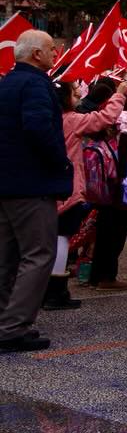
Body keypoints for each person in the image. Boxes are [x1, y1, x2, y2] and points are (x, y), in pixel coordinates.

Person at [0, 30, 67, 353]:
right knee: (39, 254)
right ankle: (14, 327)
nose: (56, 53)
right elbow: (39, 127)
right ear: (37, 54)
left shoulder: (7, 83)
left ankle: (5, 319)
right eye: (52, 49)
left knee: (6, 257)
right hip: (32, 184)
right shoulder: (36, 84)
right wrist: (61, 163)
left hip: (7, 184)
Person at [47, 77, 125, 311]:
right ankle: (56, 290)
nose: (78, 97)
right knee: (62, 237)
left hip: (44, 187)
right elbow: (103, 118)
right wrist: (119, 94)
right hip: (67, 187)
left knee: (47, 239)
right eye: (74, 94)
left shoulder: (45, 119)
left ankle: (44, 289)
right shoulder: (72, 120)